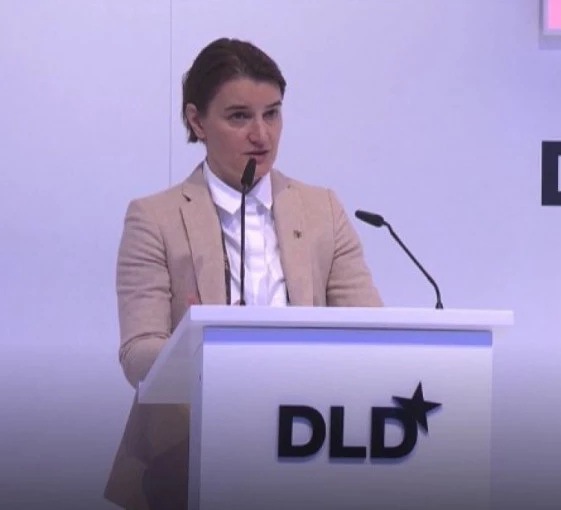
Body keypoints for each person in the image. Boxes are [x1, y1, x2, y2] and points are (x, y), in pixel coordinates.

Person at [103, 37, 383, 510]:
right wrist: (196, 349)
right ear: (197, 121)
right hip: (182, 457)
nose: (262, 135)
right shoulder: (154, 218)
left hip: (310, 443)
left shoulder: (322, 210)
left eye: (272, 114)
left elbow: (370, 327)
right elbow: (137, 353)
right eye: (239, 117)